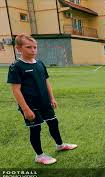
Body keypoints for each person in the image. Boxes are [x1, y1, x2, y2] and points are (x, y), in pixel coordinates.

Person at [7, 34, 77, 165]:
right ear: (18, 48)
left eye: (35, 47)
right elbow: (16, 90)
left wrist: (52, 98)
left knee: (53, 123)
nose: (33, 50)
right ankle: (39, 155)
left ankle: (60, 145)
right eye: (29, 47)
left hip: (45, 102)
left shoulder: (39, 63)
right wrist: (25, 109)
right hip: (30, 105)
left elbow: (46, 81)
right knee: (35, 129)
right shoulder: (16, 66)